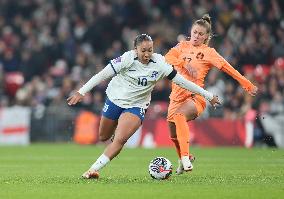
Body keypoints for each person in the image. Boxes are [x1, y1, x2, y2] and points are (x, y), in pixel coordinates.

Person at [67, 34, 220, 179]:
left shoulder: (159, 63)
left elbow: (182, 81)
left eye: (150, 50)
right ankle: (114, 136)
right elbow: (102, 75)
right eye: (143, 50)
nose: (147, 54)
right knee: (103, 136)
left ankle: (93, 169)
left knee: (119, 140)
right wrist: (81, 92)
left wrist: (208, 95)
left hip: (136, 106)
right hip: (115, 100)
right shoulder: (127, 58)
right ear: (136, 49)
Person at [164, 14, 258, 174]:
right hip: (176, 97)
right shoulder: (181, 46)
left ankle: (186, 158)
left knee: (180, 116)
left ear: (206, 36)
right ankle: (182, 159)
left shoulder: (209, 52)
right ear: (191, 31)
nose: (196, 36)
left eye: (201, 34)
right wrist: (183, 64)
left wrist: (246, 84)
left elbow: (228, 68)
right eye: (194, 32)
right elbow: (167, 58)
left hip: (195, 97)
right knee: (173, 135)